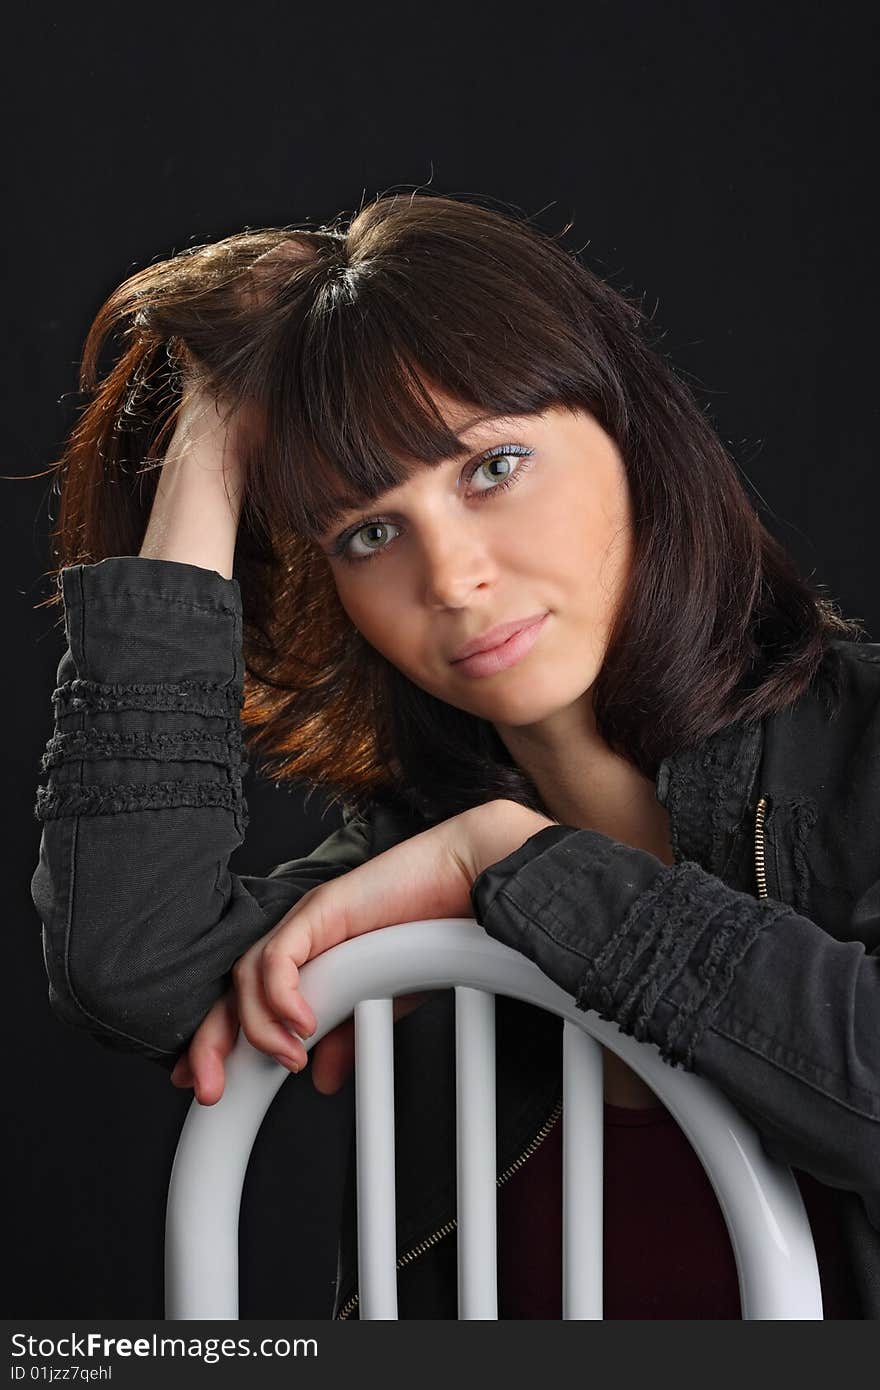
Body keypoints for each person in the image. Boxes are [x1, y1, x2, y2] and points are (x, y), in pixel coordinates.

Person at [29, 192, 880, 1319]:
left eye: (494, 467)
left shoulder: (857, 747)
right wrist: (211, 439)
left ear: (629, 432)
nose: (452, 576)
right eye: (367, 532)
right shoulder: (412, 852)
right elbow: (127, 962)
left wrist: (517, 868)